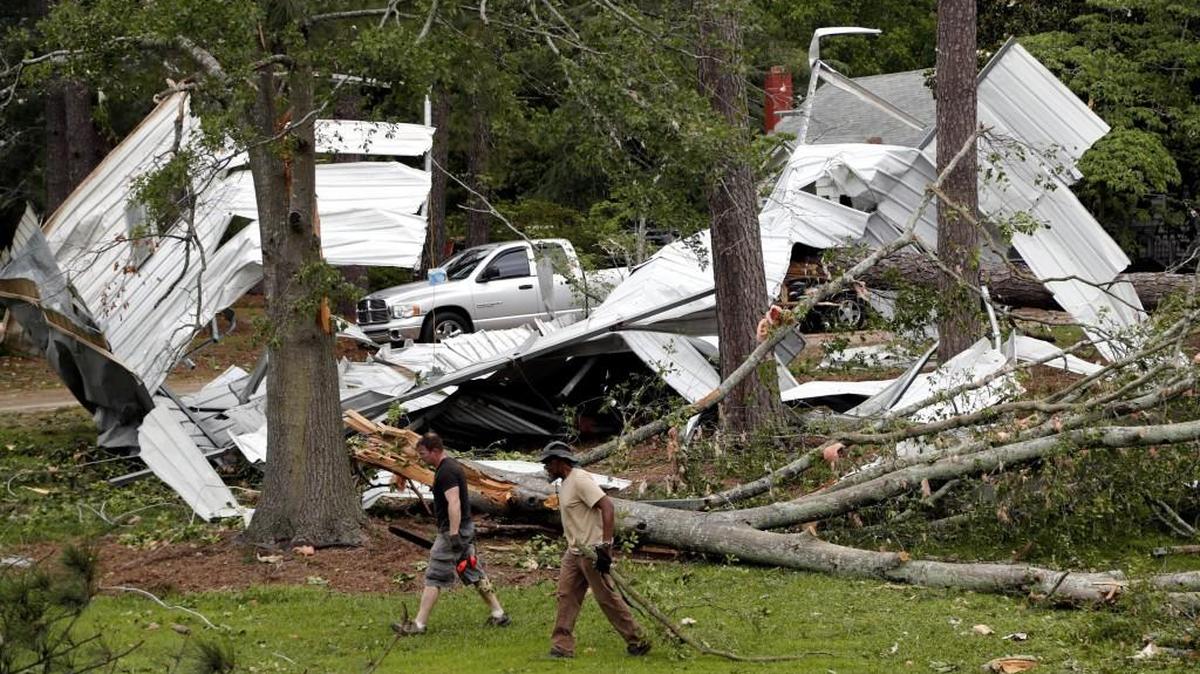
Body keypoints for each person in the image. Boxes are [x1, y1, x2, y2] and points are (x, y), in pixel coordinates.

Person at [539, 441, 650, 659]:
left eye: (548, 463)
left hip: (591, 550)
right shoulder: (565, 483)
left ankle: (637, 639)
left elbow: (607, 506)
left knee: (605, 597)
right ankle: (562, 647)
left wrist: (605, 546)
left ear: (560, 462)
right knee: (566, 595)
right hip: (574, 551)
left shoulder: (580, 479)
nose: (546, 468)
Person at [393, 432, 510, 635]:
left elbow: (454, 502)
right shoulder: (449, 467)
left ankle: (418, 625)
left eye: (423, 453)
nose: (421, 457)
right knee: (474, 571)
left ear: (436, 451)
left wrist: (454, 535)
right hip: (462, 528)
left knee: (434, 574)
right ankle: (498, 614)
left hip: (453, 531)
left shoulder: (447, 471)